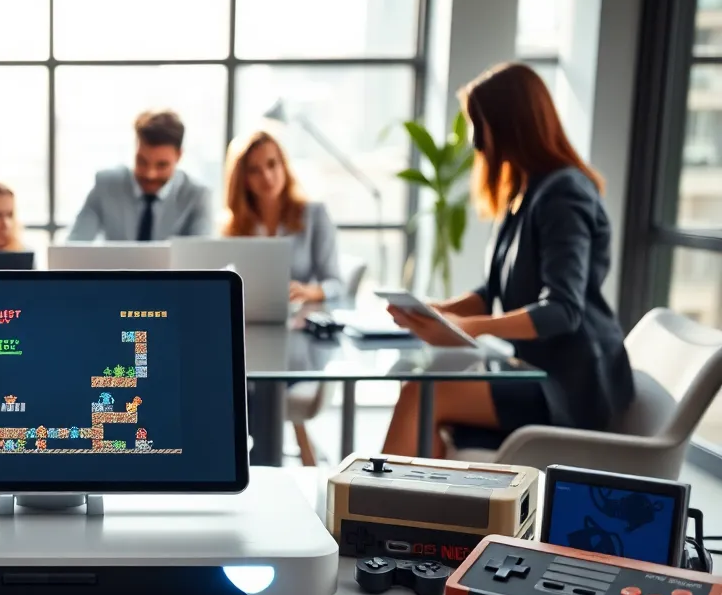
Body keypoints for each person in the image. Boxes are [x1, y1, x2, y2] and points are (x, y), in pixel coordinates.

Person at [383, 62, 634, 457]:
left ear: (510, 126)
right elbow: (492, 291)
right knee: (422, 390)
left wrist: (470, 327)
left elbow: (563, 309)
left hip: (570, 387)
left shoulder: (564, 193)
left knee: (421, 393)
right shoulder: (524, 194)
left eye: (480, 128)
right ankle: (417, 511)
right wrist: (437, 311)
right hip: (532, 372)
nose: (478, 144)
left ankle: (377, 513)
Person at [222, 130, 343, 303]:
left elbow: (336, 284)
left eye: (272, 164)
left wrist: (310, 292)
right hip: (248, 318)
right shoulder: (232, 226)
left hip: (298, 318)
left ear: (284, 166)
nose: (266, 176)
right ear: (243, 179)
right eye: (254, 170)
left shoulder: (314, 215)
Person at [67, 110, 212, 242]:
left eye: (162, 165)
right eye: (141, 161)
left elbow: (200, 259)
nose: (150, 174)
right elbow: (74, 245)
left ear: (179, 156)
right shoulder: (106, 185)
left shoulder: (197, 196)